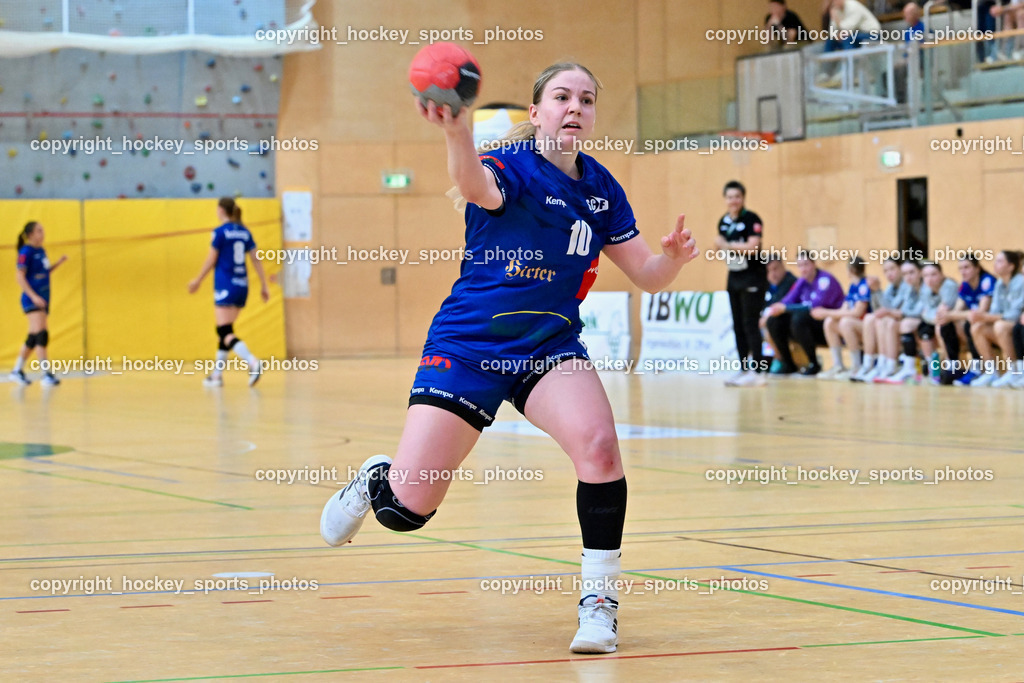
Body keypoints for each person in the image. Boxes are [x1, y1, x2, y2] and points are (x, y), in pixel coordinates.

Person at [319, 62, 699, 655]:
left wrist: (672, 258)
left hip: (549, 347)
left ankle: (599, 604)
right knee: (407, 512)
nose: (575, 107)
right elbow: (473, 185)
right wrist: (455, 129)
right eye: (562, 96)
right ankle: (375, 482)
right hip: (470, 346)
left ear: (594, 116)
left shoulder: (603, 190)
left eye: (587, 99)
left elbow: (648, 276)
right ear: (537, 111)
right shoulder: (511, 169)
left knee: (599, 447)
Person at [187, 197, 270, 387]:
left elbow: (211, 260)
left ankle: (252, 362)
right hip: (242, 285)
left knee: (223, 330)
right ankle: (216, 376)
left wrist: (197, 280)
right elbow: (256, 259)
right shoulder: (245, 232)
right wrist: (264, 285)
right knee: (226, 331)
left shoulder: (220, 232)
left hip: (225, 285)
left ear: (221, 210)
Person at [714, 180, 768, 387]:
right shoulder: (724, 221)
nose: (733, 200)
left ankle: (758, 370)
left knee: (750, 323)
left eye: (737, 196)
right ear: (725, 199)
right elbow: (718, 244)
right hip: (734, 277)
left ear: (743, 198)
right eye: (729, 197)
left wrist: (728, 245)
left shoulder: (751, 219)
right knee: (737, 324)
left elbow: (753, 247)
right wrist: (720, 245)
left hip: (753, 277)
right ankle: (744, 368)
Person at [764, 252, 844, 375]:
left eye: (806, 264)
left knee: (798, 319)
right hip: (808, 327)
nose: (803, 269)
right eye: (800, 265)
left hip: (829, 326)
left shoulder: (825, 279)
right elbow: (787, 301)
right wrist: (776, 309)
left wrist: (785, 308)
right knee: (774, 321)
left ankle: (814, 363)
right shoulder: (801, 282)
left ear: (814, 264)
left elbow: (814, 306)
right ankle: (788, 364)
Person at [9, 221, 67, 386]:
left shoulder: (41, 251)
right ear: (31, 235)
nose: (43, 233)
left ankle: (17, 370)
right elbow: (19, 276)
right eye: (39, 231)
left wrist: (59, 263)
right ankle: (46, 374)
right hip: (32, 299)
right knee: (41, 334)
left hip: (43, 298)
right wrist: (33, 296)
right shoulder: (25, 251)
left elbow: (44, 271)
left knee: (34, 336)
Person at [934, 255, 996, 385]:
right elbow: (956, 310)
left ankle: (977, 369)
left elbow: (981, 312)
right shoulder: (965, 285)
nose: (963, 271)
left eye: (967, 267)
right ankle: (953, 364)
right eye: (960, 268)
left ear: (977, 268)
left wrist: (954, 315)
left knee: (971, 324)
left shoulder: (987, 281)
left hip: (990, 323)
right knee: (947, 322)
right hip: (975, 322)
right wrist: (948, 315)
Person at [969, 250, 1024, 387]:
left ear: (1011, 266)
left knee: (1000, 326)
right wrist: (981, 317)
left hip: (1016, 324)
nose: (995, 264)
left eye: (1000, 261)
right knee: (977, 327)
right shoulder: (999, 283)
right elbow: (995, 310)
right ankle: (991, 372)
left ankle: (1015, 371)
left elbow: (1015, 314)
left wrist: (988, 316)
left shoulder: (1021, 282)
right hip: (1005, 323)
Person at [815, 256, 871, 380]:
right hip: (855, 325)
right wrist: (827, 314)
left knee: (846, 322)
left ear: (850, 270)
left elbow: (857, 312)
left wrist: (825, 311)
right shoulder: (853, 286)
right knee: (830, 322)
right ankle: (838, 365)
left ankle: (856, 366)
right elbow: (843, 310)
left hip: (867, 328)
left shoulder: (864, 285)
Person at [854, 258, 906, 382]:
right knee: (870, 318)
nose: (889, 273)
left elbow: (891, 308)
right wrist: (874, 292)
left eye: (892, 269)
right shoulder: (890, 287)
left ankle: (887, 365)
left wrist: (878, 290)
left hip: (902, 320)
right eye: (886, 271)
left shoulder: (906, 286)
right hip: (890, 320)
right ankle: (869, 364)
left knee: (882, 321)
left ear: (901, 269)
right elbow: (878, 309)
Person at [875, 260, 925, 384]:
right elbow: (903, 309)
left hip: (931, 321)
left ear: (920, 272)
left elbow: (919, 312)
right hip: (918, 320)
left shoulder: (925, 287)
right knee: (886, 321)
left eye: (911, 272)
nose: (908, 276)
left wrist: (897, 313)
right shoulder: (909, 288)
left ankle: (916, 369)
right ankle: (889, 366)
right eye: (905, 274)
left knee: (903, 324)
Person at [919, 261, 959, 383]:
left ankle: (950, 365)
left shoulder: (949, 286)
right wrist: (932, 316)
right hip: (935, 320)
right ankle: (933, 368)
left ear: (941, 274)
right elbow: (925, 312)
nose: (929, 279)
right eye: (926, 276)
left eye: (933, 274)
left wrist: (931, 315)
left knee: (940, 327)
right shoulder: (925, 289)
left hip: (954, 321)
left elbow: (943, 311)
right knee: (924, 331)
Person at [760, 257, 798, 374]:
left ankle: (780, 359)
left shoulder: (790, 282)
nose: (773, 274)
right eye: (769, 271)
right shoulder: (767, 286)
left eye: (775, 269)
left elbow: (780, 305)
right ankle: (764, 359)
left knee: (770, 323)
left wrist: (766, 316)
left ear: (783, 266)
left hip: (789, 322)